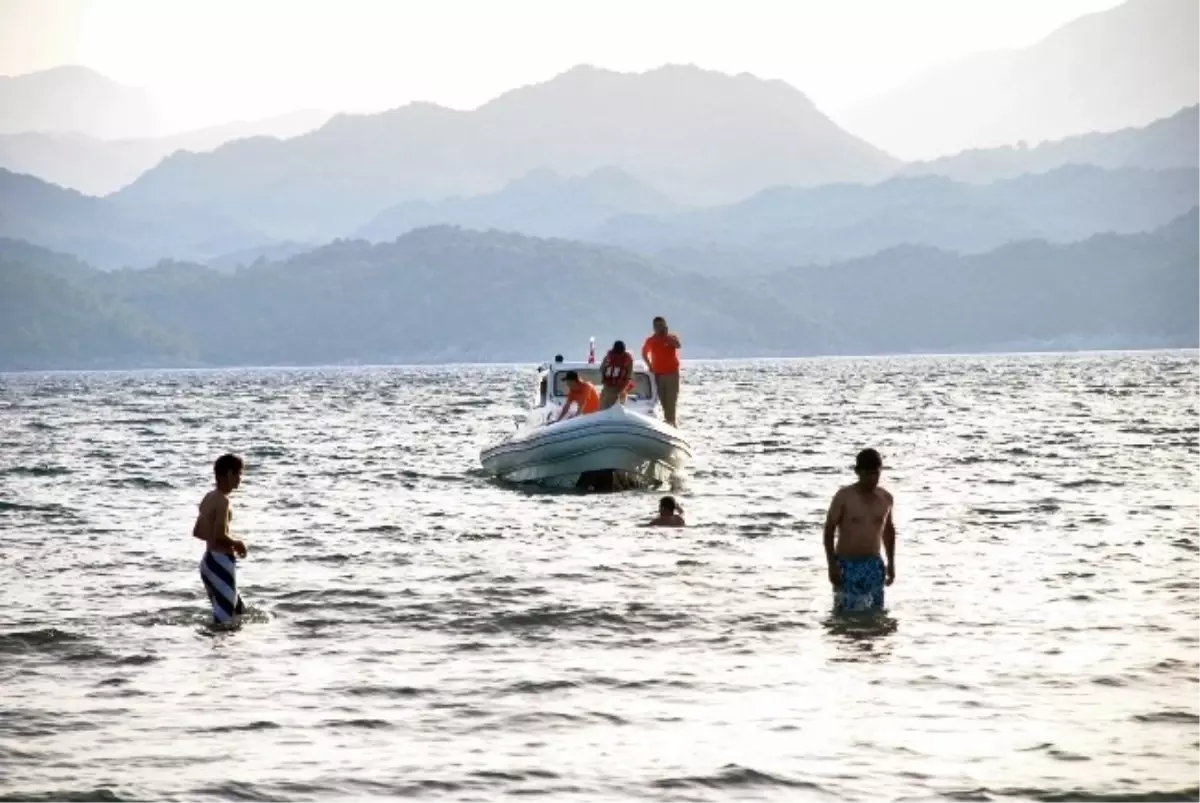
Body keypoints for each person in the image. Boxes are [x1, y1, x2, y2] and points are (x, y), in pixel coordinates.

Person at [823, 448, 896, 612]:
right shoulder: (844, 497)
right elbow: (828, 530)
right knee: (844, 616)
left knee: (876, 615)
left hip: (873, 564)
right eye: (868, 474)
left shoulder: (886, 499)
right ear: (858, 472)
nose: (872, 479)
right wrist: (832, 565)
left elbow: (888, 532)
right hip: (847, 564)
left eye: (876, 474)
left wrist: (891, 564)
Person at [193, 453, 249, 625]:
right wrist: (237, 544)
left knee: (239, 611)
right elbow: (219, 535)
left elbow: (197, 531)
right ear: (229, 474)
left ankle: (219, 650)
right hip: (220, 562)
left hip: (208, 562)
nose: (241, 478)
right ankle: (219, 650)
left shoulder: (209, 497)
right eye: (239, 473)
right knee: (226, 620)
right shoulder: (223, 502)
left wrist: (217, 542)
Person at [642, 316, 682, 426]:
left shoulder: (671, 337)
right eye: (657, 325)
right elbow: (644, 353)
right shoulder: (651, 340)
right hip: (658, 374)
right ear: (654, 327)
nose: (659, 327)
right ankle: (668, 421)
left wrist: (667, 337)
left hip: (671, 374)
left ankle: (671, 422)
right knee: (662, 400)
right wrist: (649, 365)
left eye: (662, 325)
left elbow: (678, 345)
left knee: (671, 400)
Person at [599, 340, 634, 409]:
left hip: (609, 387)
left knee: (604, 409)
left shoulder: (608, 357)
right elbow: (628, 376)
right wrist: (622, 390)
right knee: (616, 409)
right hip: (619, 388)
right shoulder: (628, 359)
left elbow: (602, 370)